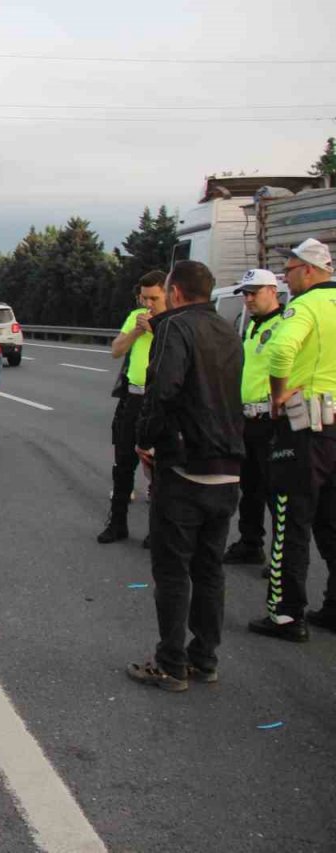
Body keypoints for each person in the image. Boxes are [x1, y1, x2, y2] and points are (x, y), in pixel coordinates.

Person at [127, 260, 243, 692]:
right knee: (210, 569)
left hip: (185, 466)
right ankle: (204, 659)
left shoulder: (173, 329)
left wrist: (145, 439)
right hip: (228, 467)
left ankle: (171, 663)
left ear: (174, 293)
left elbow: (164, 391)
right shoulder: (230, 330)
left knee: (173, 570)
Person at [248, 238, 336, 642]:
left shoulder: (307, 306)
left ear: (312, 270)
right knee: (331, 522)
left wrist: (279, 391)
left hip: (304, 429)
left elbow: (282, 349)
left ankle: (286, 614)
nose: (286, 275)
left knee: (290, 521)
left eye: (292, 268)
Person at [98, 271, 168, 544]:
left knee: (158, 466)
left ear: (168, 294)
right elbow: (116, 349)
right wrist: (138, 329)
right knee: (123, 461)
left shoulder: (173, 319)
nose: (148, 304)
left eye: (155, 298)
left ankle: (157, 530)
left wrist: (156, 328)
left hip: (158, 398)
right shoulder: (136, 317)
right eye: (144, 298)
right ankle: (117, 523)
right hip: (133, 396)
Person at [223, 269, 284, 569]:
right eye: (244, 294)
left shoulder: (285, 324)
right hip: (247, 420)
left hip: (270, 419)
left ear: (272, 291)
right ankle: (250, 543)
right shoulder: (252, 326)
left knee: (275, 492)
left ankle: (281, 558)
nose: (247, 299)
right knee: (250, 487)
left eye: (253, 292)